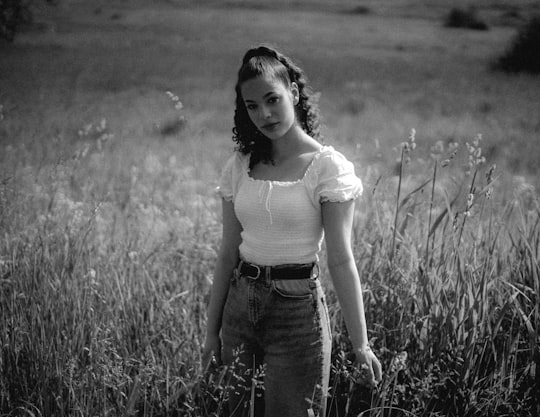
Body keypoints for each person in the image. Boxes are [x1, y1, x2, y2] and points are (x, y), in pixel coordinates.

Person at [202, 45, 382, 417]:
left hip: (296, 313)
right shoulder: (239, 166)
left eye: (272, 99)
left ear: (294, 94)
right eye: (252, 106)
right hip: (240, 307)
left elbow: (341, 259)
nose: (264, 114)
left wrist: (361, 344)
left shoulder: (328, 168)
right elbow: (226, 253)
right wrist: (210, 333)